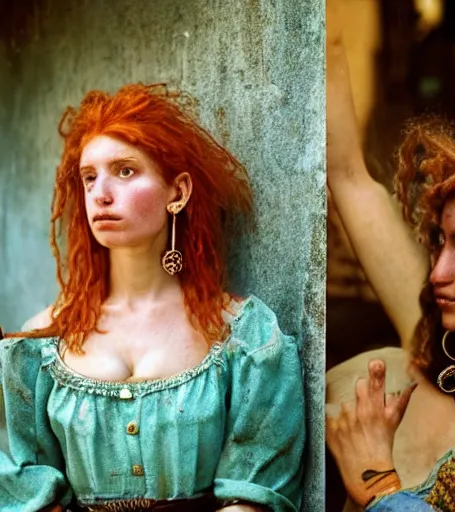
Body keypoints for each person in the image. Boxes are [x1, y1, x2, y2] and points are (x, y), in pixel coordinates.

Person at [0, 84, 305, 512]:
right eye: (90, 177)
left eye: (125, 171)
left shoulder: (245, 337)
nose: (101, 194)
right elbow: (25, 483)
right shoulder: (39, 343)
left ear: (177, 193)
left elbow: (255, 495)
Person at [326, 2, 455, 511]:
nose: (437, 275)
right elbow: (347, 173)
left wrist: (383, 486)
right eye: (438, 242)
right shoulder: (426, 344)